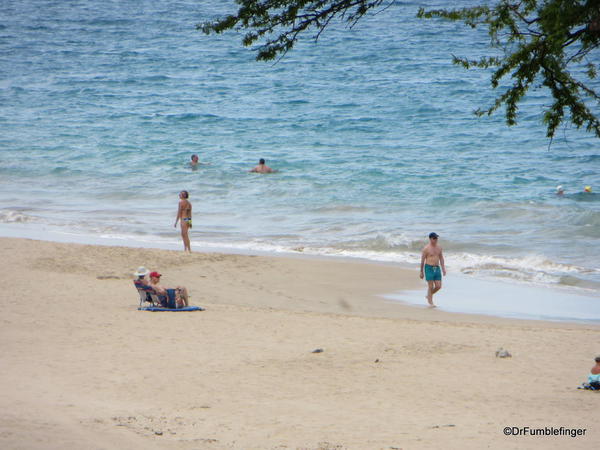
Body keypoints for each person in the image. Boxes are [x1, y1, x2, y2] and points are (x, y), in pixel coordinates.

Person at [419, 232, 447, 307]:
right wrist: (421, 272)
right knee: (430, 286)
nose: (436, 239)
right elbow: (422, 261)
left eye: (436, 238)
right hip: (428, 268)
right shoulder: (426, 249)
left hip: (437, 268)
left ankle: (429, 295)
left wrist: (443, 268)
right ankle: (431, 302)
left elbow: (441, 258)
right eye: (434, 238)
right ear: (430, 239)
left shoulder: (439, 247)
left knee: (438, 286)